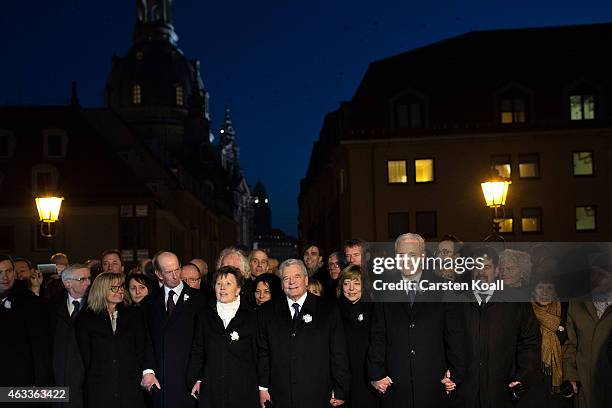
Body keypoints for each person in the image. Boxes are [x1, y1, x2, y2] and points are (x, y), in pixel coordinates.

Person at [367, 233, 466, 408]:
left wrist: (456, 373)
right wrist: (376, 374)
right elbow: (377, 336)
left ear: (422, 256)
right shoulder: (384, 290)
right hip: (395, 385)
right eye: (401, 256)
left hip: (434, 385)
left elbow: (455, 336)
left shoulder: (443, 288)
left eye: (412, 255)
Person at [257, 259, 350, 408]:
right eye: (286, 278)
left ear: (306, 280)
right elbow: (263, 352)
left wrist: (340, 388)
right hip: (280, 395)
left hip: (318, 394)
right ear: (282, 284)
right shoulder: (267, 311)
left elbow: (338, 352)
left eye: (297, 276)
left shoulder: (328, 309)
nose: (291, 282)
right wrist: (263, 388)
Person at [457, 246, 542, 408]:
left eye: (487, 267)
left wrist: (522, 376)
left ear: (497, 271)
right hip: (465, 394)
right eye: (476, 266)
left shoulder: (516, 303)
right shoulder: (457, 304)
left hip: (503, 393)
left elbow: (530, 342)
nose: (481, 272)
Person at [141, 251, 205, 408]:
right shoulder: (149, 302)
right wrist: (148, 370)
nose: (175, 275)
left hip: (188, 380)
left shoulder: (199, 299)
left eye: (177, 269)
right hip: (160, 381)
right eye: (169, 272)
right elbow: (146, 338)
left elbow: (204, 341)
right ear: (158, 274)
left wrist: (200, 377)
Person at [188, 266, 259, 407]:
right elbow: (198, 350)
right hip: (212, 387)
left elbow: (258, 354)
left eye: (228, 283)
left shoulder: (252, 316)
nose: (222, 288)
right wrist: (196, 379)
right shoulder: (204, 315)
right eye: (219, 284)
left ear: (238, 289)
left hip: (243, 388)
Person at [76, 272, 146, 408]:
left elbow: (141, 350)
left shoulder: (134, 315)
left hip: (130, 388)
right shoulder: (86, 319)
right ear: (101, 290)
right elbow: (85, 356)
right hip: (100, 388)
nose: (120, 291)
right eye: (114, 288)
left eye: (121, 287)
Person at [562, 254, 612, 408]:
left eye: (601, 275)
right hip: (586, 388)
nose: (595, 279)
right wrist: (570, 374)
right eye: (592, 273)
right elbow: (571, 343)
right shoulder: (577, 304)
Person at [0, 255, 53, 390]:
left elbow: (40, 346)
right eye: (0, 272)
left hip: (21, 382)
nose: (5, 277)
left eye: (9, 271)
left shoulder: (30, 302)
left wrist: (41, 383)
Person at [49, 264, 91, 408]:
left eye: (89, 278)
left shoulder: (95, 307)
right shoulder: (52, 308)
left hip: (87, 384)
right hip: (58, 382)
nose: (89, 282)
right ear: (67, 283)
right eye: (82, 279)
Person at [337, 265, 379, 408]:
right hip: (342, 377)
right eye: (347, 283)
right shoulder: (333, 311)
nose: (351, 288)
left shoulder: (374, 309)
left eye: (356, 283)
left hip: (367, 377)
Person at [530, 276, 571, 408]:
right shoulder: (526, 313)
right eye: (540, 287)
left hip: (559, 382)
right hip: (532, 379)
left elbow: (571, 346)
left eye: (549, 288)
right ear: (533, 290)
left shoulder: (565, 314)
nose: (545, 292)